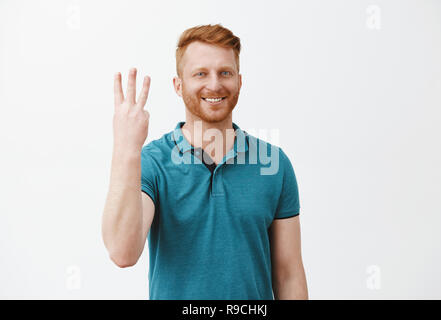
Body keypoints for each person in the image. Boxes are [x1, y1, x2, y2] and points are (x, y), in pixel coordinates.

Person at [102, 24, 308, 300]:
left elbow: (289, 275)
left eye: (225, 73)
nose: (214, 84)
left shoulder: (274, 164)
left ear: (239, 81)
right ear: (178, 85)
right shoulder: (152, 162)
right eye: (200, 74)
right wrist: (126, 148)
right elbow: (122, 252)